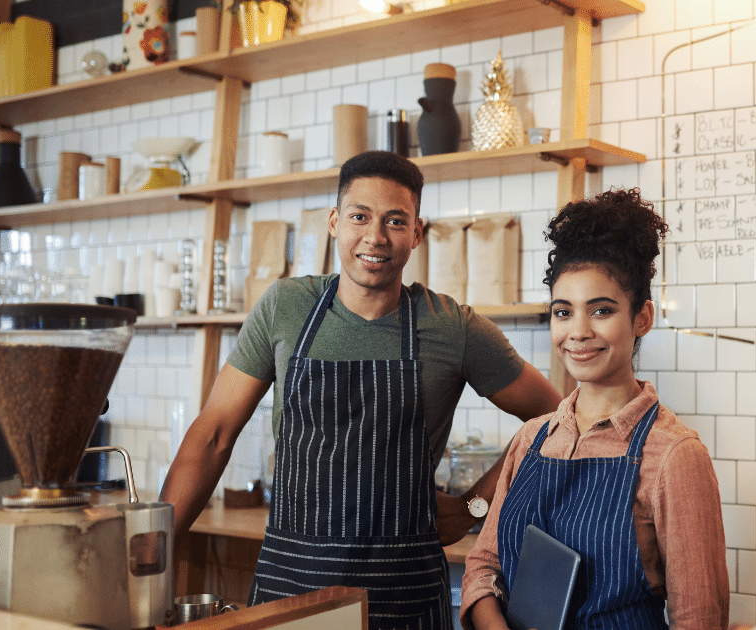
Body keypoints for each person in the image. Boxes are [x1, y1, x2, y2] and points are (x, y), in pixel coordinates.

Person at [160, 151, 562, 629]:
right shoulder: (285, 308)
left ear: (416, 232)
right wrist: (149, 557)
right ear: (334, 222)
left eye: (395, 221)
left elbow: (554, 416)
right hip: (291, 589)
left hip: (403, 597)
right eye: (359, 216)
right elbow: (212, 437)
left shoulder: (452, 327)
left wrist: (473, 507)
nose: (375, 237)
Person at [461, 189, 729, 630]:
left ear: (642, 318)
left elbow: (699, 618)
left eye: (601, 310)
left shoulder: (674, 455)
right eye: (563, 312)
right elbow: (483, 566)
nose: (578, 332)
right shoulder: (532, 438)